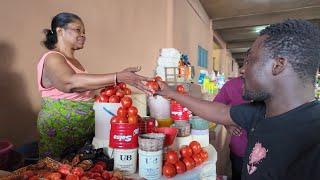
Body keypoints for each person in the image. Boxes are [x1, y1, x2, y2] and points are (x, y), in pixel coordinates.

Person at [155, 19, 320, 179]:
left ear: (278, 65)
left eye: (250, 61)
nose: (242, 70)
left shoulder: (313, 139)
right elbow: (220, 111)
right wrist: (172, 93)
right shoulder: (260, 112)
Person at [37, 12, 149, 159]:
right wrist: (117, 77)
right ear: (60, 31)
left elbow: (83, 90)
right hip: (59, 130)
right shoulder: (52, 58)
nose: (83, 35)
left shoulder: (74, 62)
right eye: (78, 30)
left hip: (82, 130)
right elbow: (69, 83)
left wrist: (113, 87)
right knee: (56, 172)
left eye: (84, 32)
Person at [213, 63, 248, 180]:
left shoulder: (273, 87)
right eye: (244, 63)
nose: (242, 70)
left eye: (251, 62)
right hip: (240, 149)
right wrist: (227, 124)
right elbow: (215, 107)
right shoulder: (232, 85)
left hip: (267, 153)